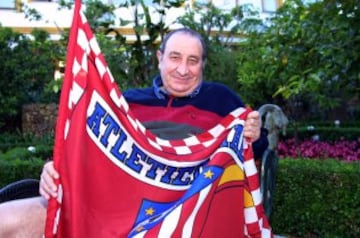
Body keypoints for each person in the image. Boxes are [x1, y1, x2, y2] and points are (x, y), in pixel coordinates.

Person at [0, 27, 268, 237]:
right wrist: (53, 168)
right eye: (175, 57)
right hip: (111, 209)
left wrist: (254, 134)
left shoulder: (221, 99)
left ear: (203, 65)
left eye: (193, 61)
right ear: (160, 57)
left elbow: (253, 150)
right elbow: (84, 149)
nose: (183, 70)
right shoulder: (126, 102)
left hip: (185, 215)